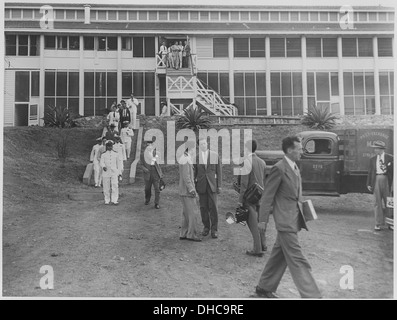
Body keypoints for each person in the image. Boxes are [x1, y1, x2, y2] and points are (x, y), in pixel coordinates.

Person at [256, 136, 322, 299]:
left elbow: (295, 195)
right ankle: (312, 295)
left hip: (293, 219)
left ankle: (264, 287)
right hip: (285, 221)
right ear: (290, 150)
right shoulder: (279, 168)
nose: (301, 151)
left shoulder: (294, 167)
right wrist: (262, 220)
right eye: (299, 149)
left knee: (279, 256)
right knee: (297, 258)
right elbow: (267, 197)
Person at [238, 140, 267, 257]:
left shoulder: (246, 162)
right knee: (260, 221)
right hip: (260, 195)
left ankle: (257, 249)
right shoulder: (262, 162)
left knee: (252, 223)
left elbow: (244, 184)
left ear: (247, 149)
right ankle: (263, 244)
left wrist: (240, 200)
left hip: (249, 197)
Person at [195, 138, 222, 239]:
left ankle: (214, 230)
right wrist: (195, 185)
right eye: (201, 144)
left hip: (212, 185)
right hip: (201, 186)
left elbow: (219, 171)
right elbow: (195, 172)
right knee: (203, 208)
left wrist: (219, 185)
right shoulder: (197, 157)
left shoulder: (214, 155)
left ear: (207, 144)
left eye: (204, 143)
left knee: (213, 208)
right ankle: (206, 227)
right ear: (198, 146)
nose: (203, 145)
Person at [366, 141, 393, 231]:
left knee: (389, 202)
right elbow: (370, 172)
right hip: (376, 179)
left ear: (381, 149)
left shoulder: (390, 158)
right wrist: (369, 183)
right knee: (377, 202)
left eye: (376, 148)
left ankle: (391, 223)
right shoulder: (372, 159)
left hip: (387, 180)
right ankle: (378, 223)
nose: (375, 150)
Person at [179, 141, 202, 242]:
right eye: (195, 149)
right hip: (187, 191)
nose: (195, 151)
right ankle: (192, 234)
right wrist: (192, 189)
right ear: (191, 149)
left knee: (186, 213)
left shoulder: (184, 157)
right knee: (193, 213)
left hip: (183, 190)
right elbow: (186, 177)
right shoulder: (186, 159)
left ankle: (184, 233)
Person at [141, 139, 163, 209]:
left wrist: (160, 174)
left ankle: (157, 203)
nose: (149, 146)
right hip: (147, 174)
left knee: (157, 189)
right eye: (148, 145)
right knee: (147, 188)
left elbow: (159, 165)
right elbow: (141, 164)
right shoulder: (142, 154)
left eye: (151, 145)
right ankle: (147, 199)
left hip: (155, 173)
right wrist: (145, 169)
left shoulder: (157, 154)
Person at [100, 140, 123, 205]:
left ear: (112, 146)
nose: (110, 147)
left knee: (115, 185)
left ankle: (114, 200)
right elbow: (101, 162)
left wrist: (119, 173)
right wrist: (103, 166)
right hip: (106, 172)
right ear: (106, 147)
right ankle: (107, 200)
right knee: (106, 186)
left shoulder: (116, 154)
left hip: (114, 172)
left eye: (111, 146)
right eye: (108, 146)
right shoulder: (103, 154)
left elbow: (119, 164)